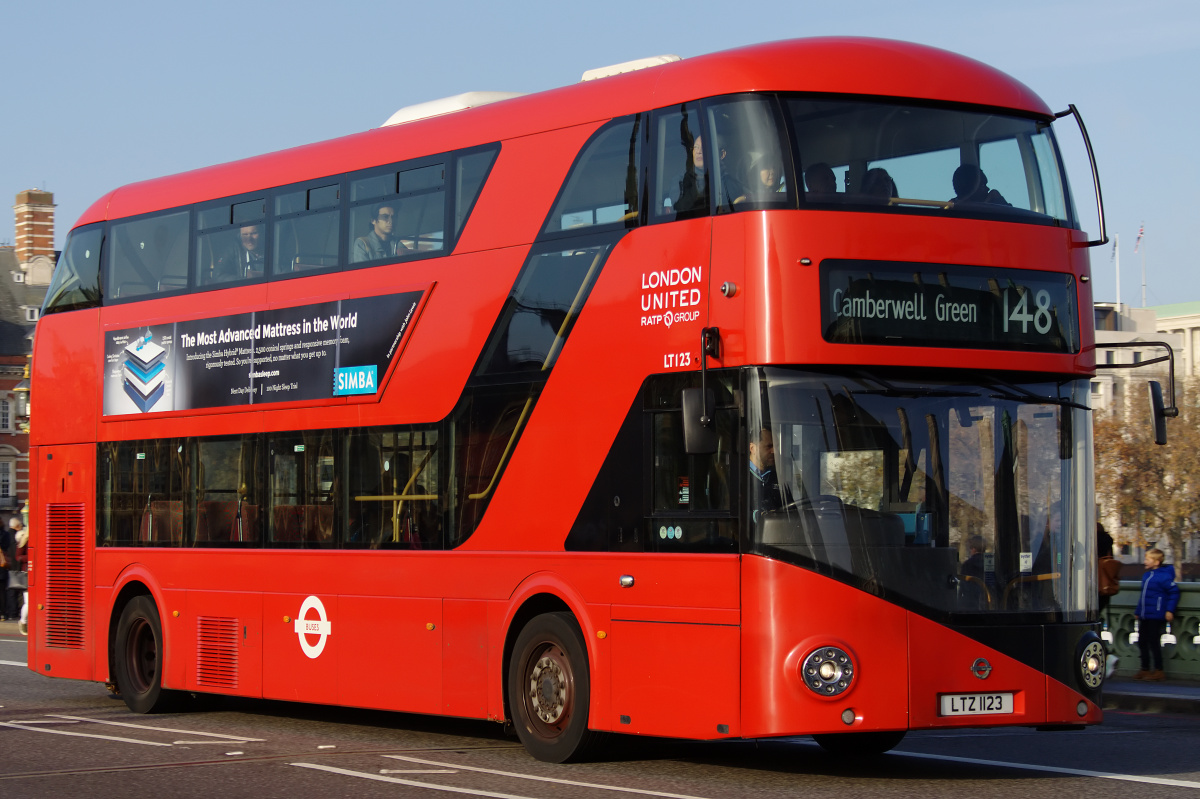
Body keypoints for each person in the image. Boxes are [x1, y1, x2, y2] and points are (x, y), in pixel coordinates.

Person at [1134, 547, 1180, 682]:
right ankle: (1145, 668)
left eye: (1147, 559)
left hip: (1157, 614)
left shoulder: (1164, 577)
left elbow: (1174, 592)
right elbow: (1143, 596)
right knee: (1142, 641)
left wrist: (1169, 610)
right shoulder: (1146, 575)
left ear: (1156, 562)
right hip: (1145, 614)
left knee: (1153, 642)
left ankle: (1159, 670)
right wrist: (1138, 611)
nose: (1144, 562)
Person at [1096, 523, 1122, 677]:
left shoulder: (1091, 539)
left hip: (1091, 588)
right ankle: (1105, 656)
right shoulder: (1107, 540)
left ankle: (1104, 656)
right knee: (1096, 623)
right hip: (1103, 590)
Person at [749, 427, 789, 520]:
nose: (774, 451)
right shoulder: (739, 477)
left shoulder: (777, 477)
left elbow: (791, 507)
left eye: (776, 446)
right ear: (752, 448)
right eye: (769, 446)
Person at [0, 517, 16, 622]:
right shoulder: (6, 534)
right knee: (2, 591)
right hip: (2, 565)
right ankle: (3, 613)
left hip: (2, 565)